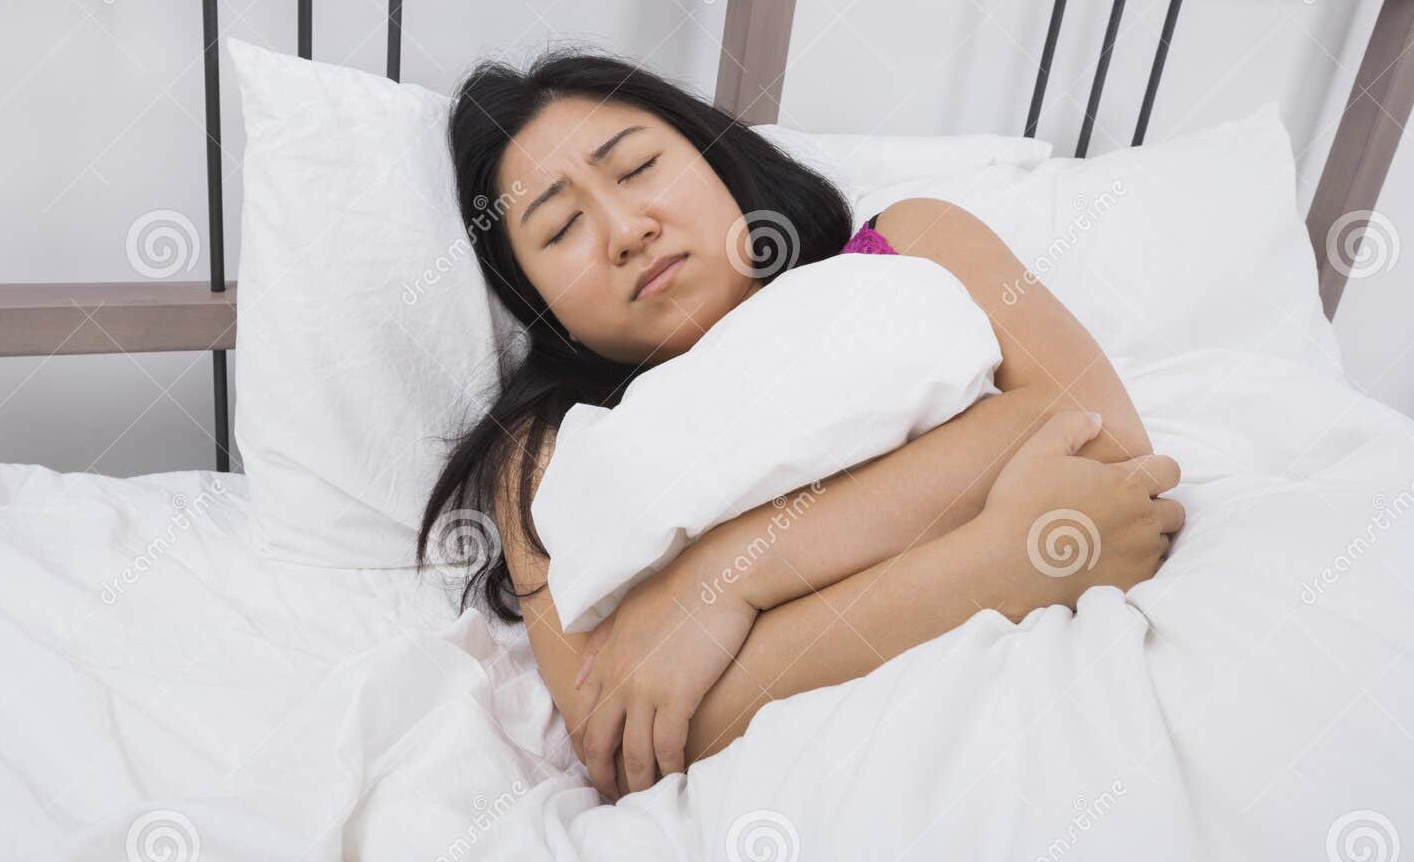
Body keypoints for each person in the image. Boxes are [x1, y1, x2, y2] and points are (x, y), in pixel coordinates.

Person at [419, 49, 1184, 800]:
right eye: (560, 230)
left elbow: (1102, 443)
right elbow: (621, 738)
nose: (626, 229)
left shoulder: (913, 245)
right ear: (537, 306)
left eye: (637, 168)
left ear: (715, 157)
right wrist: (999, 562)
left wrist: (723, 580)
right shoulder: (548, 460)